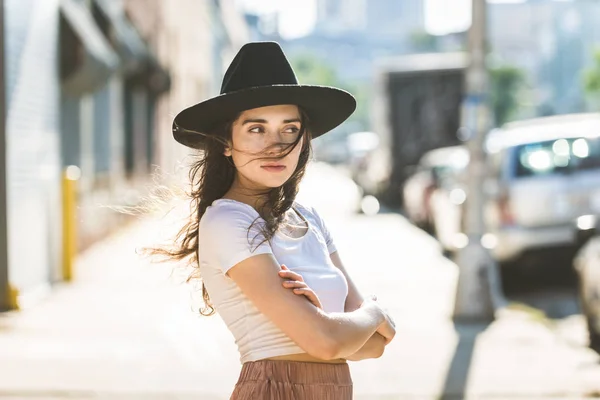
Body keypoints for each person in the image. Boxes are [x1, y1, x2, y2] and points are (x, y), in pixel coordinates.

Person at [168, 41, 396, 399]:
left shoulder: (310, 218)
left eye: (289, 129)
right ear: (226, 142)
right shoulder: (229, 221)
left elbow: (376, 346)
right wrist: (373, 312)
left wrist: (341, 328)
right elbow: (328, 342)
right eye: (256, 129)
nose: (276, 145)